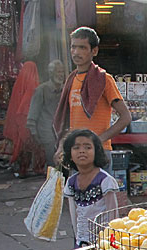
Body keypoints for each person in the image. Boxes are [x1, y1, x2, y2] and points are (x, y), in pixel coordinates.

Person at [53, 27, 132, 159]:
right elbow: (68, 123)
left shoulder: (103, 79)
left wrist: (98, 140)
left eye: (82, 48)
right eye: (73, 47)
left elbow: (125, 117)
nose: (76, 52)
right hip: (76, 152)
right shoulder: (71, 80)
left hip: (99, 152)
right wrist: (62, 146)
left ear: (94, 51)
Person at [62, 129, 120, 248]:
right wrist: (77, 241)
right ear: (70, 154)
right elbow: (74, 217)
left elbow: (113, 216)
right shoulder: (71, 183)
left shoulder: (105, 181)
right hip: (81, 242)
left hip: (103, 243)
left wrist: (111, 242)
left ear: (96, 152)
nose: (82, 151)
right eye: (76, 148)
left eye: (88, 147)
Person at [4, 62, 45, 177]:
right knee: (36, 145)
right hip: (29, 119)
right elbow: (29, 103)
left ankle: (23, 169)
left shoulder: (19, 82)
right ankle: (38, 168)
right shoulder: (33, 83)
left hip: (20, 120)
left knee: (24, 145)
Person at [28, 60, 66, 167]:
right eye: (58, 72)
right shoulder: (42, 90)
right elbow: (32, 114)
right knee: (52, 162)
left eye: (62, 72)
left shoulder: (65, 90)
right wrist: (34, 133)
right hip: (47, 131)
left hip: (62, 131)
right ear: (51, 73)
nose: (61, 75)